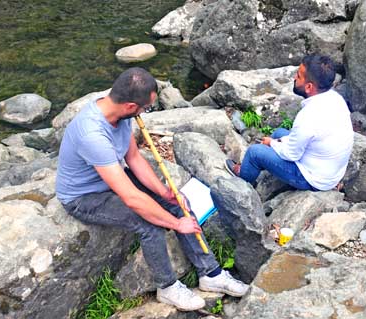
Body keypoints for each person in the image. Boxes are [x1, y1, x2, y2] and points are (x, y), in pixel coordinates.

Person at [56, 67, 248, 311]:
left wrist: (163, 192)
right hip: (84, 196)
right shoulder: (92, 133)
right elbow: (132, 199)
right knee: (147, 222)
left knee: (179, 202)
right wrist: (176, 224)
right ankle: (167, 286)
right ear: (129, 105)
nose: (144, 114)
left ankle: (210, 273)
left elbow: (134, 158)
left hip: (110, 178)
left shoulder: (120, 115)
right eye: (145, 108)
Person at [225, 55, 354, 191]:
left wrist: (272, 143)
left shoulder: (308, 117)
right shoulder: (335, 99)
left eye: (298, 76)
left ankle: (243, 179)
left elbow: (291, 155)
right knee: (279, 133)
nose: (294, 79)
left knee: (254, 152)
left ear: (309, 87)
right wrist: (277, 141)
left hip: (315, 179)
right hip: (328, 169)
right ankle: (262, 163)